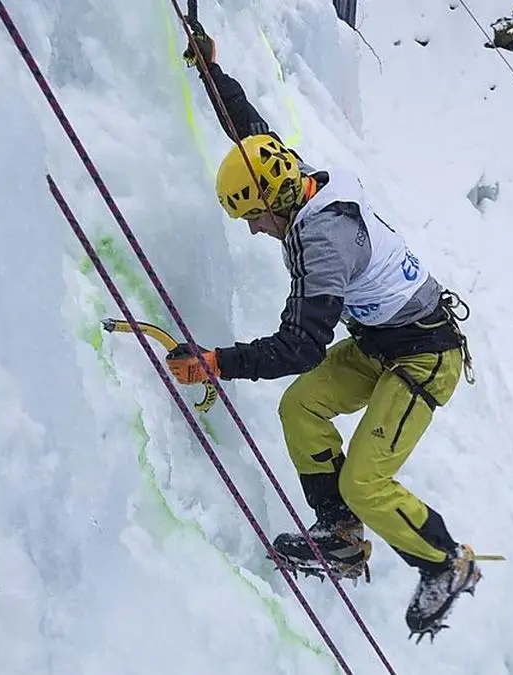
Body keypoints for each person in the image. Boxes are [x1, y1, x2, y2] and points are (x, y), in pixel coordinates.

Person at [169, 26, 480, 639]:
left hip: (425, 358)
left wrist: (216, 363)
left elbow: (301, 346)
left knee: (366, 479)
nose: (255, 230)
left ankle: (446, 562)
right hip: (383, 341)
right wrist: (212, 71)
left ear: (279, 205)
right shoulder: (299, 179)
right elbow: (250, 134)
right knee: (302, 406)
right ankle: (339, 535)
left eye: (255, 218)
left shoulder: (323, 244)